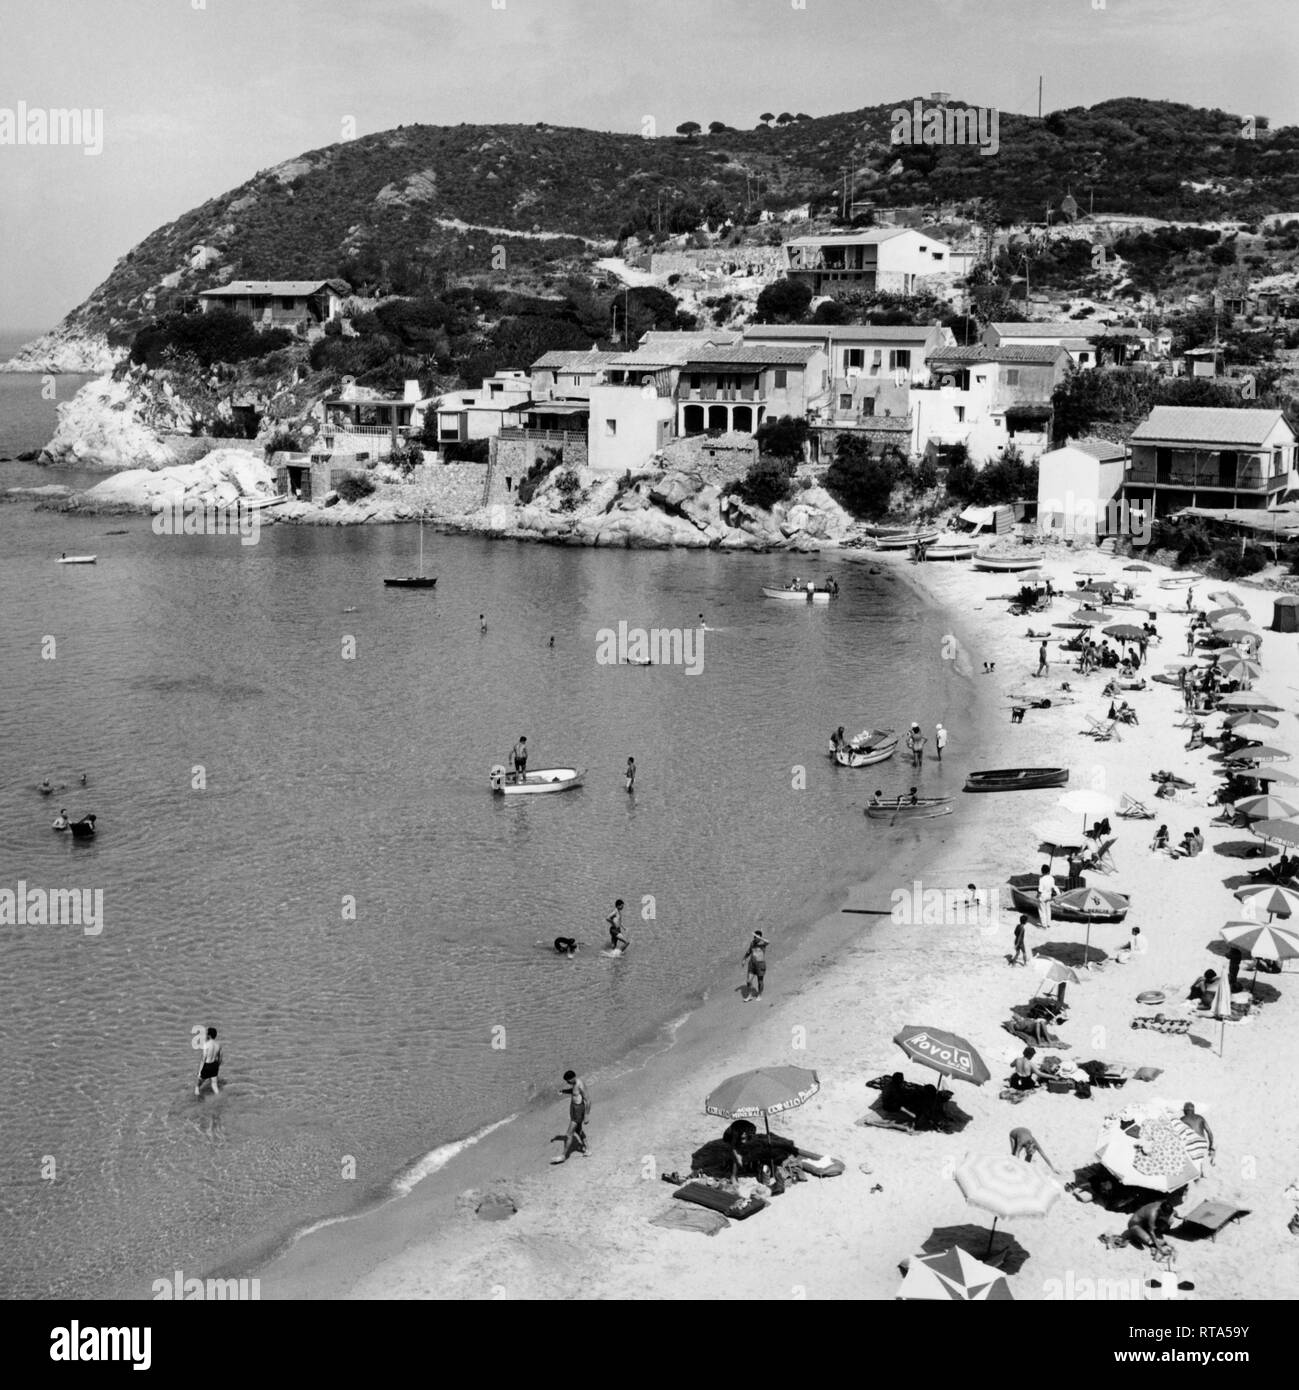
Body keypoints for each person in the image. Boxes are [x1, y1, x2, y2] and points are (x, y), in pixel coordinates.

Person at [554, 1070, 590, 1163]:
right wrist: (564, 1091)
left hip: (578, 1111)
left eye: (568, 1081)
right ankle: (588, 1149)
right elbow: (574, 1092)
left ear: (572, 1078)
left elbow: (588, 1100)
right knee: (578, 1130)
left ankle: (563, 1156)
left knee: (569, 1134)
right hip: (574, 1109)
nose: (567, 1083)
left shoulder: (580, 1085)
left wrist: (586, 1115)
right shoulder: (574, 1083)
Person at [195, 1027, 222, 1098]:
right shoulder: (218, 1045)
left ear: (209, 1035)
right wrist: (216, 1066)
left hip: (207, 1065)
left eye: (206, 1033)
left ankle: (197, 1100)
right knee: (214, 1085)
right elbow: (219, 1058)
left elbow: (203, 1059)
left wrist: (200, 1071)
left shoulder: (206, 1044)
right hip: (215, 1065)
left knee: (197, 1085)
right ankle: (219, 1099)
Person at [743, 930, 768, 1000]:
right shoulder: (752, 943)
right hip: (752, 964)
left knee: (760, 981)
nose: (755, 938)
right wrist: (744, 959)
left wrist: (759, 938)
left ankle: (759, 995)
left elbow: (768, 942)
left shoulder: (762, 943)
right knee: (748, 981)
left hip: (760, 965)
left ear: (760, 937)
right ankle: (750, 995)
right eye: (754, 936)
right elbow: (749, 951)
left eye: (756, 936)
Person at [1037, 864, 1056, 928]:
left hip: (1043, 896)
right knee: (1048, 909)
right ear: (1049, 871)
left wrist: (1037, 896)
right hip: (1049, 895)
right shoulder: (1052, 878)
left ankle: (1044, 925)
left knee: (1042, 910)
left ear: (1042, 871)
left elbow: (1040, 890)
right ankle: (1049, 923)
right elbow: (1053, 887)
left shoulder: (1041, 879)